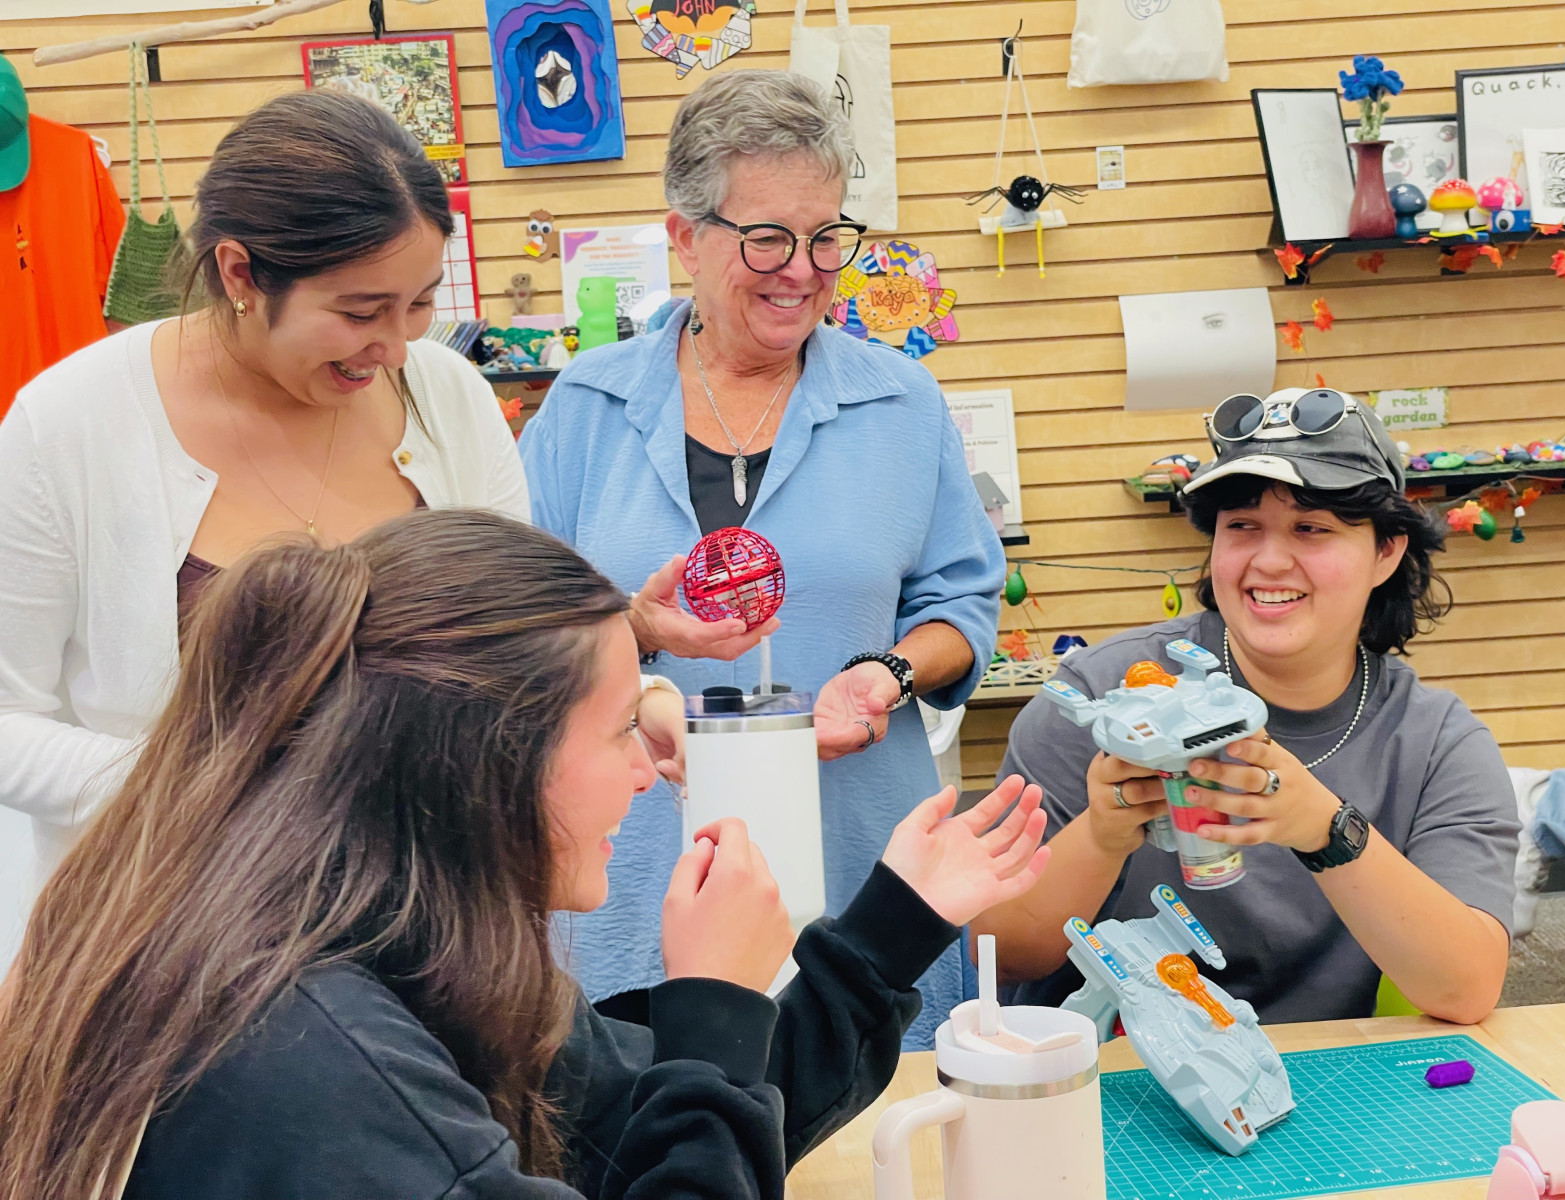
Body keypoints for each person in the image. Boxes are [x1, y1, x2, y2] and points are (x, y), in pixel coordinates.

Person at [0, 510, 1050, 1200]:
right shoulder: (312, 1066)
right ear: (488, 762)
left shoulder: (385, 944)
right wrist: (716, 1003)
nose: (648, 774)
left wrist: (892, 924)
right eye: (617, 731)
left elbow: (672, 1123)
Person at [0, 92, 658, 908]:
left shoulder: (446, 395)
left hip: (426, 936)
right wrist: (218, 788)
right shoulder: (71, 424)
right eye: (358, 312)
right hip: (169, 949)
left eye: (419, 303)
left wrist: (626, 700)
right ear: (241, 274)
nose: (394, 347)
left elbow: (509, 645)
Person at [521, 69, 1006, 1046]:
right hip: (641, 864)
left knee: (873, 1146)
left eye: (827, 236)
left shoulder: (899, 401)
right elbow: (516, 620)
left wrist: (887, 673)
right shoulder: (585, 405)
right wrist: (630, 637)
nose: (804, 269)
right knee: (655, 1139)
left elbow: (964, 600)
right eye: (767, 239)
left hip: (857, 862)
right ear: (682, 236)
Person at [975, 387, 1518, 1024]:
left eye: (1311, 528)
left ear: (1387, 551)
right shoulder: (1103, 695)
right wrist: (1101, 833)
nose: (1268, 560)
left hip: (1328, 1081)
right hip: (1103, 1079)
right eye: (1242, 527)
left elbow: (1466, 987)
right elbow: (996, 951)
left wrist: (1324, 827)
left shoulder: (1435, 743)